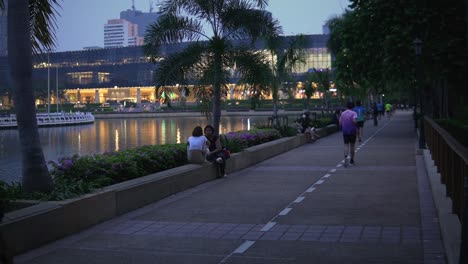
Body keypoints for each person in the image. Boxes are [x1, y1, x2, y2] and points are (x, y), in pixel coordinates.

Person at [339, 101, 358, 167]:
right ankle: (352, 160)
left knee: (346, 145)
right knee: (352, 146)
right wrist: (356, 122)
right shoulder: (354, 113)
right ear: (353, 107)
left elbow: (340, 123)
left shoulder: (343, 113)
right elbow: (354, 121)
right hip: (352, 131)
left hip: (345, 132)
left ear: (346, 106)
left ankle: (346, 157)